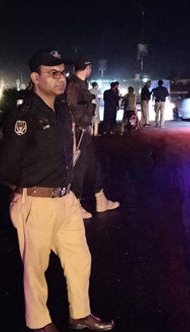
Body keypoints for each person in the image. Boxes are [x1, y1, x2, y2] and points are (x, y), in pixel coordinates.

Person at [0, 49, 115, 332]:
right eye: (52, 73)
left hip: (65, 200)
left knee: (80, 258)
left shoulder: (63, 112)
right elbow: (8, 167)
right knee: (35, 268)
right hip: (36, 202)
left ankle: (80, 313)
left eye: (62, 72)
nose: (60, 78)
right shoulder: (23, 117)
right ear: (35, 77)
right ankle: (39, 322)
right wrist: (27, 192)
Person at [66, 57, 120, 219]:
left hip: (84, 131)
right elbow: (74, 110)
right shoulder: (73, 85)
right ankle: (75, 203)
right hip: (78, 131)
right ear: (87, 68)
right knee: (80, 167)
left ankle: (100, 199)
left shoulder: (79, 84)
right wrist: (91, 107)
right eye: (90, 66)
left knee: (94, 165)